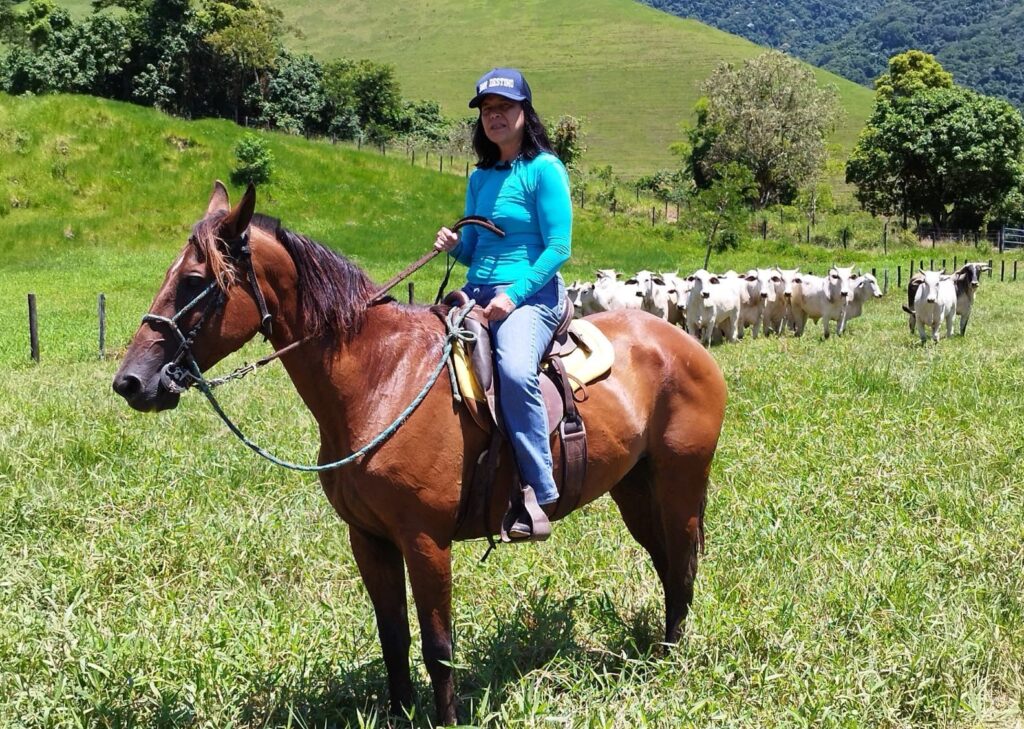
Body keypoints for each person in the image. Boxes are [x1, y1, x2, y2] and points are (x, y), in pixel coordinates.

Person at [434, 67, 572, 542]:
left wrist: (513, 296)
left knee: (514, 370)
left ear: (524, 113)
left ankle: (539, 486)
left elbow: (559, 248)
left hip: (532, 297)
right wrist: (454, 244)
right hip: (476, 292)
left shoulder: (545, 170)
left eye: (504, 109)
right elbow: (474, 250)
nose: (495, 118)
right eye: (488, 111)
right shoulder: (480, 178)